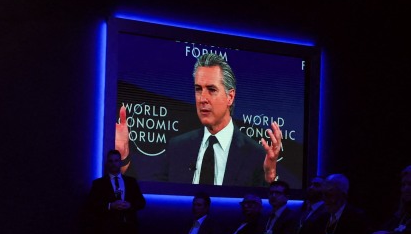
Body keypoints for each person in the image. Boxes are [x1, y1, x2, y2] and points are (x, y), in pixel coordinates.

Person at [114, 51, 284, 187]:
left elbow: (263, 211)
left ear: (230, 97)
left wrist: (270, 176)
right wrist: (124, 159)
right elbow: (149, 193)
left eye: (211, 89)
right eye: (198, 89)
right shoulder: (178, 147)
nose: (202, 98)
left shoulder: (255, 154)